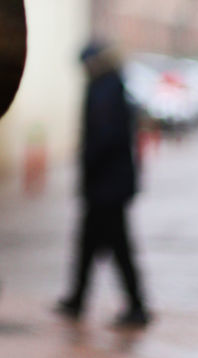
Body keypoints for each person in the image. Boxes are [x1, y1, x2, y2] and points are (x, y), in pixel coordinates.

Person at [55, 40, 151, 327]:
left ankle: (136, 306)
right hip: (107, 184)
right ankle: (78, 299)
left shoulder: (105, 89)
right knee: (88, 244)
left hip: (106, 186)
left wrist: (89, 165)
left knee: (117, 246)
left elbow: (104, 136)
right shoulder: (110, 85)